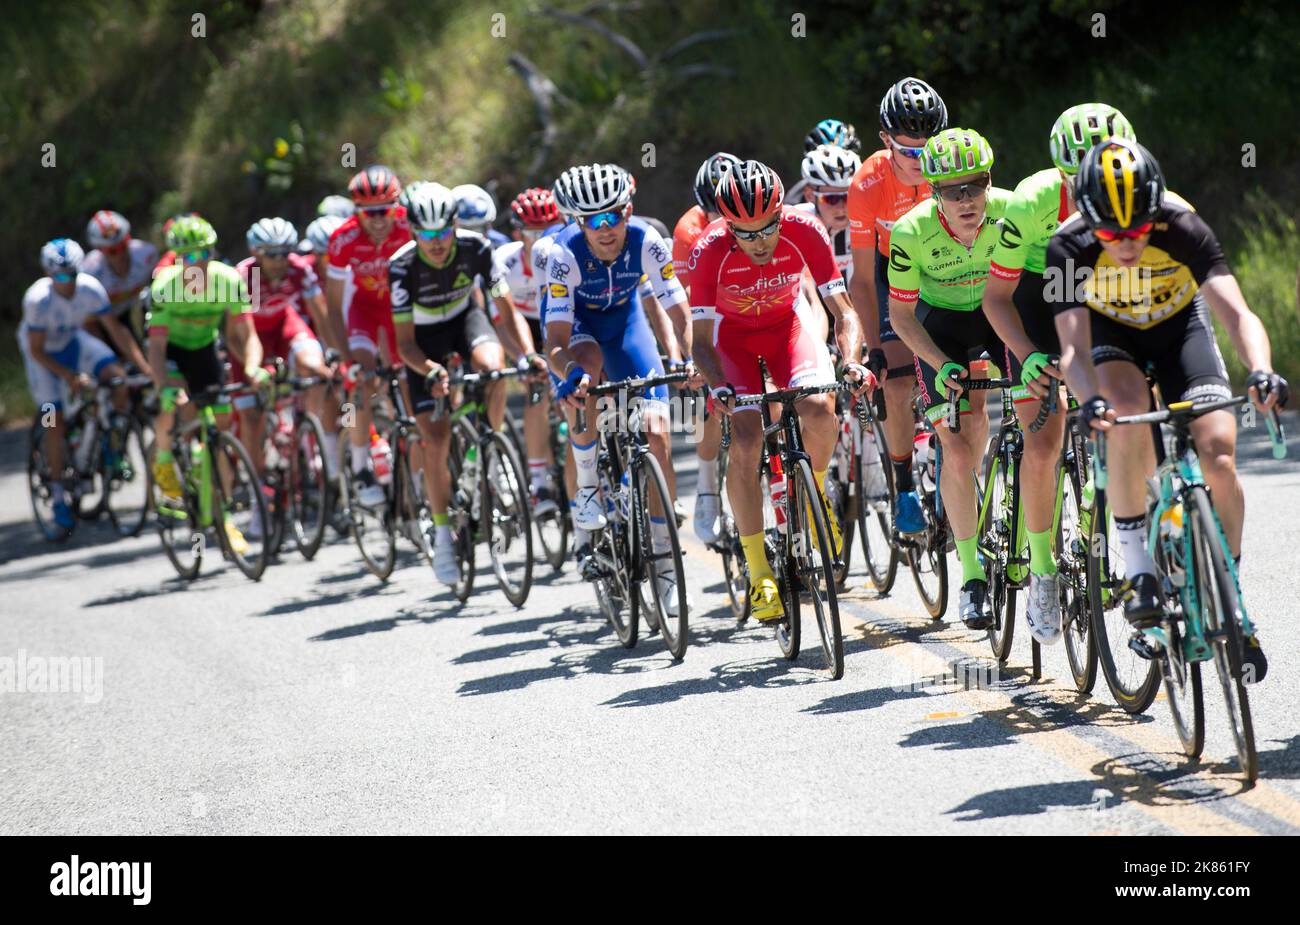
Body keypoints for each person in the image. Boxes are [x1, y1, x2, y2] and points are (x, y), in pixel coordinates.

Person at [1050, 137, 1287, 679]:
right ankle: (1141, 576)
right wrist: (1090, 404)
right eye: (1111, 234)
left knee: (1220, 454)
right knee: (1125, 417)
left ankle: (1227, 583)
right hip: (1115, 337)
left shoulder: (1183, 225)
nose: (1126, 243)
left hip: (1181, 326)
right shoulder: (1068, 248)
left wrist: (1260, 370)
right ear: (1089, 221)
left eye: (1137, 231)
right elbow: (1072, 351)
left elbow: (1237, 314)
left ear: (1155, 210)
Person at [689, 160, 871, 623]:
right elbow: (701, 343)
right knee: (747, 439)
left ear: (781, 212)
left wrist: (849, 360)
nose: (759, 243)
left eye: (767, 228)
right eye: (744, 234)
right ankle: (758, 572)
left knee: (818, 408)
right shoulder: (709, 250)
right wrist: (721, 387)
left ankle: (815, 492)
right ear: (726, 224)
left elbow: (843, 312)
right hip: (731, 342)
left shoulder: (806, 229)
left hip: (787, 328)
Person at [982, 103, 1136, 644]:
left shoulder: (1141, 193)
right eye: (1081, 176)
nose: (1097, 182)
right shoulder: (1032, 202)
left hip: (1094, 291)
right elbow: (996, 299)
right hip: (1032, 296)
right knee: (1043, 441)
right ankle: (1044, 572)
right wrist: (1026, 354)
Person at [543, 162, 692, 614]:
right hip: (581, 332)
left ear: (629, 210)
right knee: (587, 379)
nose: (606, 229)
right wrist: (569, 372)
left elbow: (680, 314)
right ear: (577, 221)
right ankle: (587, 485)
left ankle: (664, 558)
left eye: (614, 216)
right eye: (593, 221)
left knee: (658, 430)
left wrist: (686, 359)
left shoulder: (648, 240)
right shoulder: (562, 255)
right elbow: (553, 341)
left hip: (628, 326)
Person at [886, 128, 1014, 630]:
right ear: (933, 191)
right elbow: (901, 317)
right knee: (957, 449)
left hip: (998, 317)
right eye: (952, 190)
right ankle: (972, 575)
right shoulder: (909, 231)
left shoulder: (1010, 212)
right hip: (939, 326)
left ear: (989, 182)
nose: (966, 200)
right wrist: (941, 363)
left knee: (1036, 413)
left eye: (975, 186)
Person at [390, 182, 531, 584]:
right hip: (421, 339)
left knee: (494, 366)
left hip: (464, 321)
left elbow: (504, 311)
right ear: (414, 232)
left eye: (443, 231)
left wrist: (527, 355)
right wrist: (429, 370)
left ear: (455, 224)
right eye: (427, 235)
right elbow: (403, 344)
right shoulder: (401, 266)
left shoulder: (476, 248)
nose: (436, 243)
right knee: (434, 441)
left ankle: (492, 450)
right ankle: (443, 537)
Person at [847, 76, 950, 538]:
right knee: (897, 377)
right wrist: (873, 348)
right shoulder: (867, 184)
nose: (919, 163)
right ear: (886, 140)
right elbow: (864, 279)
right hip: (892, 274)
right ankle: (905, 484)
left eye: (927, 151)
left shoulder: (951, 166)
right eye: (908, 151)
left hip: (945, 268)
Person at [147, 217, 266, 555]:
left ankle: (223, 515)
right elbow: (155, 349)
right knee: (177, 401)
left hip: (203, 351)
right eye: (188, 257)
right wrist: (163, 386)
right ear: (177, 259)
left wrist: (254, 368)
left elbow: (248, 336)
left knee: (220, 430)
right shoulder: (164, 286)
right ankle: (165, 459)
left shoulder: (229, 280)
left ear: (212, 253)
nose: (196, 263)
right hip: (171, 353)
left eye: (203, 254)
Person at [20, 239, 149, 531]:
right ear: (49, 275)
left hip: (73, 342)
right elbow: (37, 351)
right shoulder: (37, 300)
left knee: (117, 379)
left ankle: (113, 448)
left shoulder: (91, 288)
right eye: (61, 277)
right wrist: (69, 377)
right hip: (42, 357)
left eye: (73, 275)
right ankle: (57, 495)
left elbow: (116, 331)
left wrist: (144, 369)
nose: (68, 282)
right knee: (54, 419)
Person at [325, 165, 411, 506]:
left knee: (408, 380)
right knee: (363, 380)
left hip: (400, 310)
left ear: (397, 208)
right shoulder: (343, 239)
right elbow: (333, 305)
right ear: (356, 212)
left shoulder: (409, 225)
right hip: (363, 310)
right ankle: (360, 468)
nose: (377, 220)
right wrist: (346, 360)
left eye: (384, 211)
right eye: (368, 213)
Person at [233, 218, 336, 487]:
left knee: (317, 371)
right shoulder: (244, 276)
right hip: (247, 337)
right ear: (256, 253)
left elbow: (320, 314)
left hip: (283, 327)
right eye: (272, 255)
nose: (280, 261)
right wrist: (253, 368)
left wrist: (334, 352)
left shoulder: (299, 269)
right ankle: (258, 492)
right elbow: (235, 333)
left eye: (284, 253)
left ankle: (306, 435)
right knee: (252, 419)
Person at [674, 152, 741, 544]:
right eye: (713, 212)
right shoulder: (688, 232)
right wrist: (692, 358)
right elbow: (686, 305)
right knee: (712, 400)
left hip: (749, 302)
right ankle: (705, 488)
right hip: (708, 310)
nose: (722, 221)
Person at [492, 188, 565, 511]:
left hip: (560, 320)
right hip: (523, 326)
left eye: (547, 230)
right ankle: (539, 483)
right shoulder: (502, 261)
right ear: (517, 233)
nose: (539, 239)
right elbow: (501, 322)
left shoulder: (564, 253)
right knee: (536, 390)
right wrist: (522, 358)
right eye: (532, 232)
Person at [794, 143, 861, 340]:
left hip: (856, 312)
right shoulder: (796, 223)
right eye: (830, 199)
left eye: (848, 197)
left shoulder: (866, 221)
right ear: (810, 195)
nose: (841, 207)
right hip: (809, 315)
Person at [81, 210, 158, 342]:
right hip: (99, 321)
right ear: (100, 250)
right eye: (112, 251)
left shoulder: (147, 255)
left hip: (131, 311)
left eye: (123, 245)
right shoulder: (90, 273)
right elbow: (88, 321)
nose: (120, 254)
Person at [453, 184, 511, 250]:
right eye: (468, 230)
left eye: (483, 228)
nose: (477, 237)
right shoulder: (445, 250)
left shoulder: (501, 244)